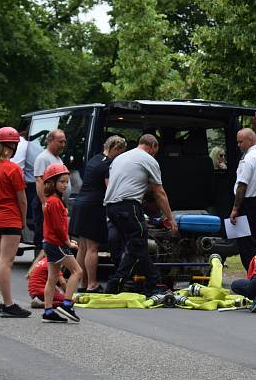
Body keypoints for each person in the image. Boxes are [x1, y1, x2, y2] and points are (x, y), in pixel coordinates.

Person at [104, 134, 176, 296]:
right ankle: (116, 283)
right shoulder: (148, 159)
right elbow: (159, 192)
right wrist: (170, 218)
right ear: (153, 146)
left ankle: (153, 283)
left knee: (138, 246)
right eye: (155, 151)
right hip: (128, 207)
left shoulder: (121, 158)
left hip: (111, 207)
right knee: (136, 245)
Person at [0, 127, 30, 318]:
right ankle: (9, 305)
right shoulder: (14, 168)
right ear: (13, 145)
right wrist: (23, 220)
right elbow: (22, 199)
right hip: (10, 217)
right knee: (6, 262)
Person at [73, 135, 127, 292]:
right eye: (121, 152)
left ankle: (82, 284)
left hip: (81, 204)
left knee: (82, 247)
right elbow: (110, 188)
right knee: (93, 248)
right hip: (93, 206)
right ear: (116, 148)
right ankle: (92, 284)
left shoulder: (95, 158)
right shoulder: (108, 165)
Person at [40, 164, 83, 323]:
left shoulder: (50, 200)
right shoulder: (56, 202)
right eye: (62, 182)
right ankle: (67, 304)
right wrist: (67, 242)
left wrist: (66, 239)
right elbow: (58, 227)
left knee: (52, 278)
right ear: (52, 183)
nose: (65, 185)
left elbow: (55, 226)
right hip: (57, 244)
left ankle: (48, 311)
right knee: (77, 271)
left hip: (49, 243)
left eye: (67, 182)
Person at [230, 112, 256, 270]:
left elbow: (242, 186)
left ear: (249, 140)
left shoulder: (248, 159)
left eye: (240, 142)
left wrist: (235, 209)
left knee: (246, 244)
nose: (238, 145)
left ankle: (252, 274)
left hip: (248, 205)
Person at [31, 129, 67, 266]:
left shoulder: (57, 158)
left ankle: (50, 265)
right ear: (50, 140)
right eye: (60, 141)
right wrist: (45, 203)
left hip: (55, 202)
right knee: (43, 235)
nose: (63, 144)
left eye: (64, 141)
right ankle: (38, 267)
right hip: (46, 203)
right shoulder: (43, 158)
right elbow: (39, 181)